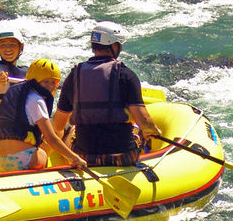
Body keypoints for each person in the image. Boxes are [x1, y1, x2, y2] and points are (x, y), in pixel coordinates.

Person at [52, 21, 161, 167]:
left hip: (85, 158)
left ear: (93, 46)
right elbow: (145, 122)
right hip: (123, 158)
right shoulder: (126, 75)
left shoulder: (74, 76)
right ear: (114, 46)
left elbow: (58, 125)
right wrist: (153, 131)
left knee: (70, 131)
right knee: (140, 133)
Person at [0, 59, 87, 172]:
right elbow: (51, 139)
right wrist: (75, 158)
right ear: (35, 81)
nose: (50, 86)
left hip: (1, 159)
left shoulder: (16, 93)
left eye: (53, 82)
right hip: (24, 159)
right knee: (44, 151)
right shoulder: (37, 100)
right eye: (45, 81)